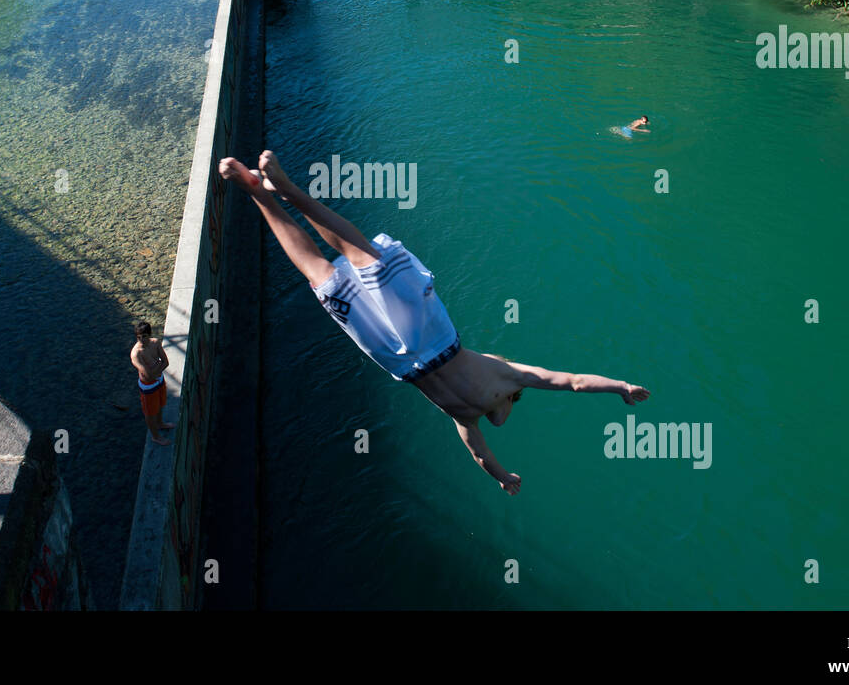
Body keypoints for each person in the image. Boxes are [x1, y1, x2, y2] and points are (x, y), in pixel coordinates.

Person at [218, 151, 649, 494]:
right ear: (508, 403)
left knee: (342, 267)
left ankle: (272, 190)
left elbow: (549, 399)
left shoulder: (486, 399)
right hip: (417, 352)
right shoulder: (487, 398)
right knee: (342, 266)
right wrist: (618, 387)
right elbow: (560, 392)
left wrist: (502, 476)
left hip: (416, 350)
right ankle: (272, 191)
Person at [131, 321, 174, 446]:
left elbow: (166, 362)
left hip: (159, 380)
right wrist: (157, 367)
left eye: (144, 336)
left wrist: (154, 370)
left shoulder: (155, 343)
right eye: (138, 337)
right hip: (148, 387)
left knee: (161, 403)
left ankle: (160, 423)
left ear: (149, 334)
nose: (141, 340)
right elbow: (147, 376)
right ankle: (155, 436)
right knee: (150, 413)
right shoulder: (136, 354)